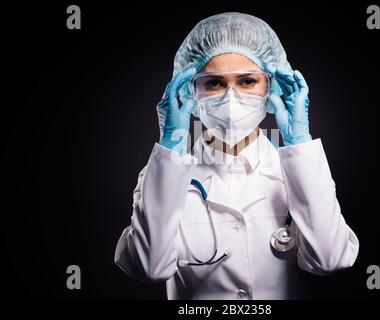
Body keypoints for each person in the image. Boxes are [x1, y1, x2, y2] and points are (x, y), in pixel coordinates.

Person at [114, 12, 359, 300]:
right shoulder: (163, 176)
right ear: (190, 90)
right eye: (214, 83)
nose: (231, 98)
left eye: (246, 81)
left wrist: (300, 145)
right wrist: (169, 150)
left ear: (270, 87)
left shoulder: (298, 171)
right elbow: (148, 268)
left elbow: (330, 260)